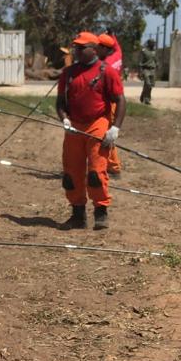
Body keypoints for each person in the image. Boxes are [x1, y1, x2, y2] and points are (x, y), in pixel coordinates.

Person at [56, 31, 125, 230]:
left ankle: (101, 212)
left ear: (93, 49)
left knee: (96, 172)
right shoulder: (68, 73)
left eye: (81, 48)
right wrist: (65, 119)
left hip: (97, 124)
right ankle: (78, 214)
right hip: (74, 127)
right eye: (75, 47)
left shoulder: (107, 72)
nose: (76, 51)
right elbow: (60, 103)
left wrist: (115, 128)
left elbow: (120, 100)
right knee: (71, 173)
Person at [95, 33, 124, 176]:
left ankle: (113, 166)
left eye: (97, 47)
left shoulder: (106, 65)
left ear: (104, 48)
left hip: (110, 102)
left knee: (107, 134)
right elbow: (117, 46)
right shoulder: (117, 54)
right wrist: (112, 35)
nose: (95, 49)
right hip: (113, 99)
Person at [138, 39, 158, 105]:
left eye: (154, 43)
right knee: (148, 84)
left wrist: (157, 66)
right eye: (153, 43)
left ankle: (143, 96)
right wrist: (140, 72)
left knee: (151, 85)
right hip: (146, 69)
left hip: (153, 70)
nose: (154, 44)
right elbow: (140, 62)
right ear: (149, 43)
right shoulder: (144, 51)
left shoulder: (154, 51)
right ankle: (147, 99)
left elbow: (156, 60)